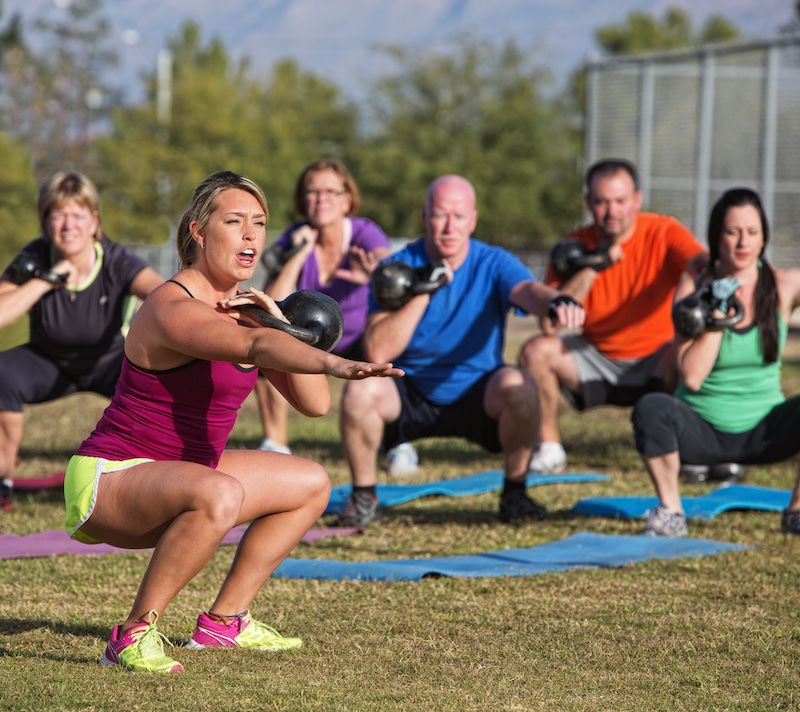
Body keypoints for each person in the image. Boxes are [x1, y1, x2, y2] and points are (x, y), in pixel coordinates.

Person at [63, 170, 403, 673]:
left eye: (260, 224)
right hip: (110, 479)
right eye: (235, 221)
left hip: (187, 475)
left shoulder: (246, 314)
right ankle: (131, 636)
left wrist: (280, 324)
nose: (250, 235)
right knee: (219, 491)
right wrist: (333, 360)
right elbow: (252, 347)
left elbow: (314, 405)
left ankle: (225, 622)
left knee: (311, 483)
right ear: (199, 232)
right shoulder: (170, 305)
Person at [337, 174, 585, 527]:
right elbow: (377, 351)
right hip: (410, 390)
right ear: (424, 219)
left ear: (473, 220)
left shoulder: (494, 262)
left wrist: (556, 301)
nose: (449, 227)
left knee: (520, 385)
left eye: (459, 216)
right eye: (440, 215)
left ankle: (515, 494)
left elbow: (529, 290)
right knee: (361, 387)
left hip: (476, 392)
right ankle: (363, 498)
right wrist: (424, 291)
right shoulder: (398, 266)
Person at [519, 158, 707, 473]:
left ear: (637, 200)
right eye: (602, 202)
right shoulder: (573, 247)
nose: (612, 211)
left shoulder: (663, 231)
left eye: (620, 201)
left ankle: (687, 448)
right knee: (536, 351)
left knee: (690, 352)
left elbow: (701, 264)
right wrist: (594, 265)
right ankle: (550, 449)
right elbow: (550, 324)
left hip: (656, 357)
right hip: (597, 357)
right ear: (588, 203)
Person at [631, 188, 800, 537]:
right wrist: (717, 314)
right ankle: (672, 512)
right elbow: (691, 376)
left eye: (752, 232)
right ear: (716, 237)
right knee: (651, 408)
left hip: (764, 430)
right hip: (701, 431)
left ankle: (796, 512)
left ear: (764, 237)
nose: (743, 242)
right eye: (733, 232)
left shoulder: (784, 286)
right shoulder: (691, 291)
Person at [0, 171, 163, 511]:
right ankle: (3, 481)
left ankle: (160, 479)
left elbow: (165, 297)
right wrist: (46, 281)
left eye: (77, 215)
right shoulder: (35, 257)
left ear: (94, 222)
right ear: (46, 222)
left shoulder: (117, 260)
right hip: (48, 360)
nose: (68, 225)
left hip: (108, 361)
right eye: (58, 215)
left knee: (161, 383)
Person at [256, 158, 419, 476]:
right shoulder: (294, 238)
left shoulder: (363, 232)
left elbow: (387, 264)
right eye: (313, 192)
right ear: (303, 199)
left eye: (330, 191)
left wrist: (375, 274)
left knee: (386, 353)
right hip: (312, 338)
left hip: (359, 338)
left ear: (347, 198)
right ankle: (276, 443)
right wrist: (300, 253)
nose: (321, 199)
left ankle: (399, 440)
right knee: (267, 343)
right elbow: (271, 303)